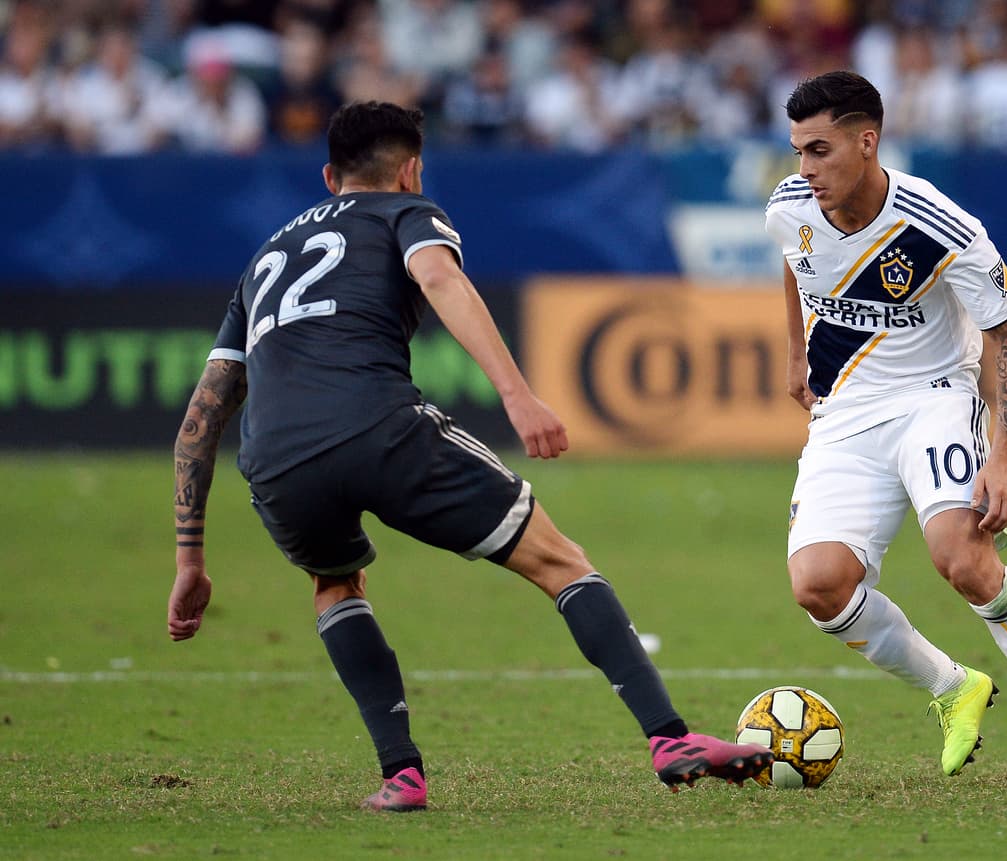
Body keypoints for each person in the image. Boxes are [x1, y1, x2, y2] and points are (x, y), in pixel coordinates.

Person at [166, 100, 771, 811]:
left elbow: (201, 418)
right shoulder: (407, 212)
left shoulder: (261, 262)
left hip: (273, 459)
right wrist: (518, 396)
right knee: (560, 560)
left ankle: (402, 773)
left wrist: (189, 560)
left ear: (330, 176)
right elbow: (442, 279)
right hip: (377, 425)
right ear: (412, 168)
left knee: (335, 585)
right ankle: (669, 739)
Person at [767, 71, 1007, 790]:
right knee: (818, 585)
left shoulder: (938, 224)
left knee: (962, 560)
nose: (805, 168)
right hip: (845, 412)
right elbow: (793, 262)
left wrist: (1005, 460)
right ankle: (953, 685)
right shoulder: (790, 204)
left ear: (867, 142)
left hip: (933, 396)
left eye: (819, 150)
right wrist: (795, 351)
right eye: (799, 150)